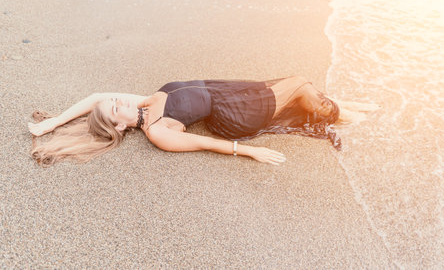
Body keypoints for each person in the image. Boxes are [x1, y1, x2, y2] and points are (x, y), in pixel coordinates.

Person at [28, 75, 377, 167]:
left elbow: (94, 99)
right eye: (114, 107)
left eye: (115, 100)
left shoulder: (145, 103)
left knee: (301, 89)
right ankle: (350, 115)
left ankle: (346, 107)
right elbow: (206, 143)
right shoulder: (157, 131)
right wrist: (250, 152)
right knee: (300, 84)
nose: (116, 100)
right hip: (235, 115)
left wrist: (54, 122)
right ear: (119, 126)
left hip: (224, 90)